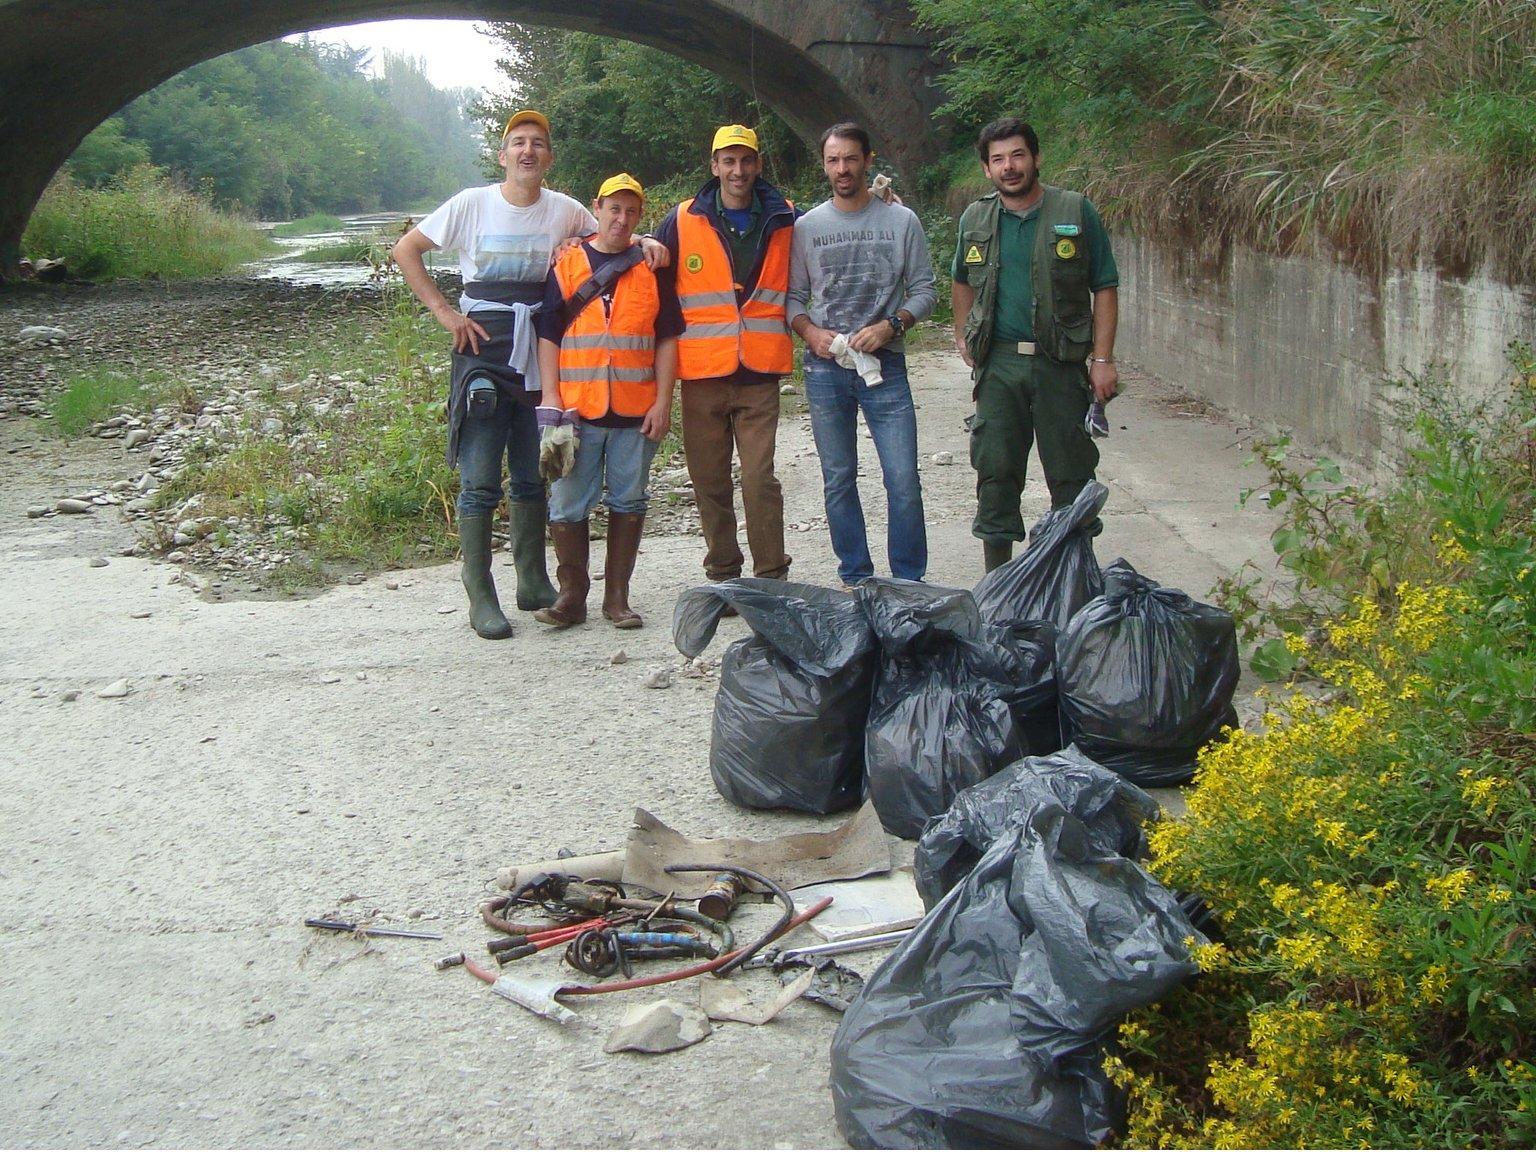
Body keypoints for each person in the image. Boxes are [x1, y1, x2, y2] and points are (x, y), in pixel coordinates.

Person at [390, 109, 664, 639]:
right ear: (503, 154)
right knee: (479, 478)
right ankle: (481, 597)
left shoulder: (564, 209)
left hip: (537, 350)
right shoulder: (471, 204)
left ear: (549, 157)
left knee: (532, 472)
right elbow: (407, 250)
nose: (527, 151)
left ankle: (534, 581)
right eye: (518, 142)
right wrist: (446, 314)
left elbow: (612, 234)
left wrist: (649, 241)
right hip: (484, 347)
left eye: (537, 143)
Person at [951, 116, 1120, 572]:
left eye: (1018, 155)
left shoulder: (1075, 211)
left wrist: (1102, 360)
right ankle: (999, 587)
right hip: (999, 367)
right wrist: (963, 334)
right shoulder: (976, 217)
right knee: (996, 475)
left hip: (1059, 365)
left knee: (1070, 476)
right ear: (987, 169)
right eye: (998, 159)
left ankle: (1074, 579)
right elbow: (962, 280)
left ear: (1036, 158)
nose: (1009, 167)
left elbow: (1104, 285)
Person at [787, 122, 936, 586]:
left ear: (868, 161)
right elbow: (792, 299)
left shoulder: (900, 221)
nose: (842, 168)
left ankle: (908, 582)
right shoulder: (806, 228)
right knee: (838, 479)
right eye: (833, 160)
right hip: (826, 368)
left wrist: (893, 324)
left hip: (885, 366)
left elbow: (926, 291)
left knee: (903, 481)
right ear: (824, 165)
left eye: (851, 158)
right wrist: (809, 332)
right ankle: (856, 577)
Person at [532, 173, 681, 630]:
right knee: (567, 503)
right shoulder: (568, 263)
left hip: (636, 411)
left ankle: (617, 600)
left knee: (630, 500)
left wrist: (663, 401)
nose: (621, 218)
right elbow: (549, 333)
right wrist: (552, 397)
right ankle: (571, 597)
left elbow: (668, 338)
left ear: (640, 215)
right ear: (596, 208)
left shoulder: (651, 267)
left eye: (631, 211)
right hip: (576, 411)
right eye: (613, 209)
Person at [653, 125, 794, 585]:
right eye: (728, 161)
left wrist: (879, 208)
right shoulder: (681, 220)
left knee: (758, 480)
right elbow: (646, 271)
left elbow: (837, 227)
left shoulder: (788, 217)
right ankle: (724, 571)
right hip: (702, 374)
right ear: (714, 166)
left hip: (759, 374)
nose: (738, 170)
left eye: (746, 160)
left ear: (757, 164)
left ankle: (771, 577)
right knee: (709, 481)